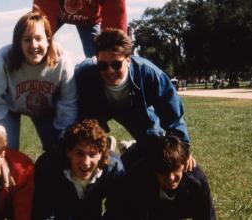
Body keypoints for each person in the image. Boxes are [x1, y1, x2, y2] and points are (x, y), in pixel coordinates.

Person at [75, 28, 195, 169]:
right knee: (87, 146)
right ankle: (106, 143)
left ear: (128, 60)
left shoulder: (149, 74)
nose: (110, 71)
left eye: (116, 64)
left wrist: (183, 148)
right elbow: (79, 114)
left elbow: (173, 116)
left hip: (134, 108)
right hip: (101, 108)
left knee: (153, 146)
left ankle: (129, 148)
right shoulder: (85, 73)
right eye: (103, 65)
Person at [0, 7, 77, 151]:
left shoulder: (62, 61)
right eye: (27, 40)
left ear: (48, 39)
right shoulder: (4, 57)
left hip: (47, 110)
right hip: (10, 108)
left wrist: (65, 136)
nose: (33, 45)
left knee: (58, 149)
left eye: (38, 39)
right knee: (3, 150)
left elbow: (68, 105)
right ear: (18, 43)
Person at [32, 119, 125, 220]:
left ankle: (116, 147)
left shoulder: (114, 169)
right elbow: (43, 212)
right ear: (68, 152)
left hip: (93, 198)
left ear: (101, 154)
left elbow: (118, 210)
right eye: (80, 153)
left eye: (92, 154)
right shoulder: (48, 167)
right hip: (63, 199)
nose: (86, 162)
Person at [122, 135, 216, 219]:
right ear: (154, 169)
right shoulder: (141, 180)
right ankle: (130, 148)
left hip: (176, 207)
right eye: (163, 171)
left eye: (175, 169)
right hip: (151, 207)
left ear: (184, 163)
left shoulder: (196, 181)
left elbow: (206, 216)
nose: (170, 177)